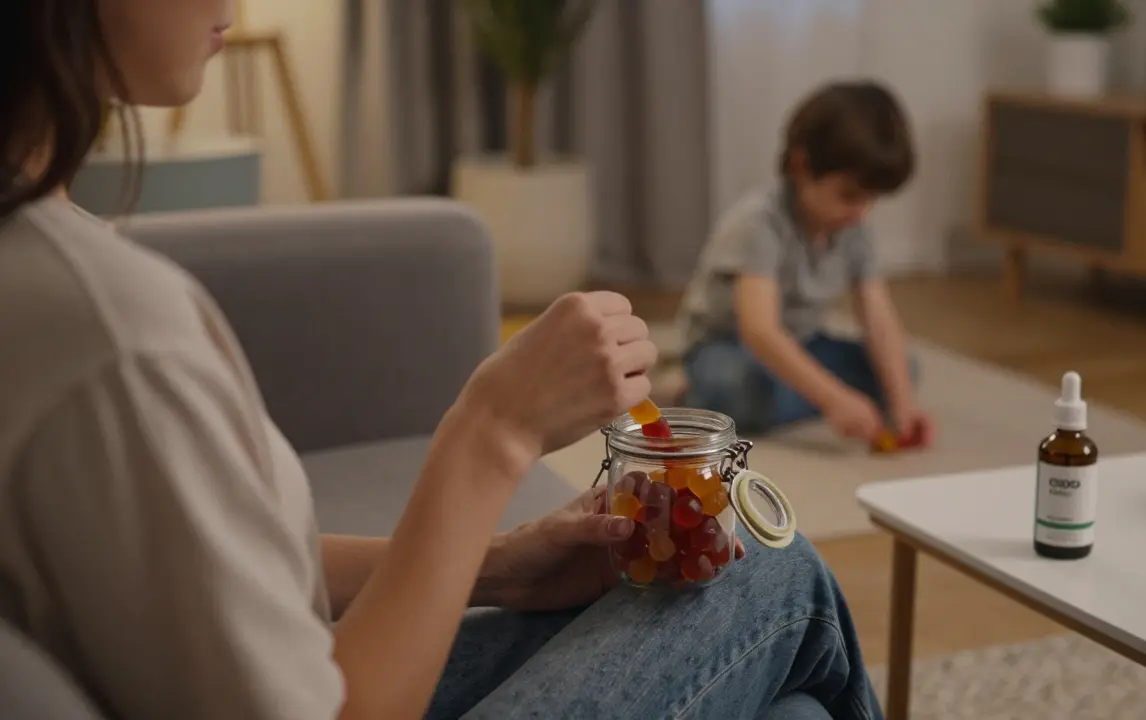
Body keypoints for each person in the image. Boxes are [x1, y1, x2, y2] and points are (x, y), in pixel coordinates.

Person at [0, 2, 883, 719]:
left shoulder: (55, 265)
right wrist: (492, 430)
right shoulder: (110, 333)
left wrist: (495, 564)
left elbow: (193, 580)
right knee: (771, 571)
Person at [678, 81, 935, 447]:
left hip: (803, 343)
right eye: (848, 195)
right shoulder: (759, 223)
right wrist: (833, 398)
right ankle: (701, 394)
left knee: (904, 370)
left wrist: (903, 403)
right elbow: (760, 332)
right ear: (801, 165)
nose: (861, 211)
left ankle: (798, 397)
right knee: (738, 388)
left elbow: (878, 317)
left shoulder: (854, 225)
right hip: (729, 348)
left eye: (871, 200)